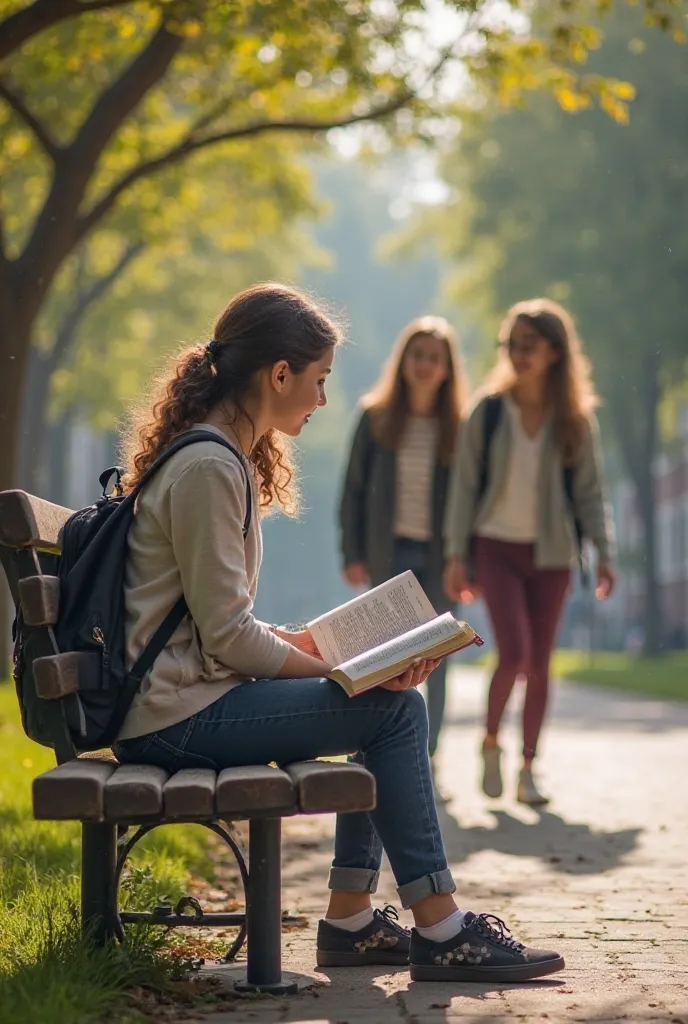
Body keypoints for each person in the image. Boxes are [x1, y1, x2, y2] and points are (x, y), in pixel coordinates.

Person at [113, 283, 564, 982]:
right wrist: (337, 671)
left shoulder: (218, 456)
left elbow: (218, 627)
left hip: (182, 701)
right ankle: (440, 929)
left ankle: (353, 920)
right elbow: (228, 640)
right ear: (280, 373)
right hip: (174, 718)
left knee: (381, 708)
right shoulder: (208, 466)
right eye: (318, 380)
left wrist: (331, 651)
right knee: (392, 711)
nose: (322, 399)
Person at [443, 298, 615, 807]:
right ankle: (491, 741)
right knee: (513, 652)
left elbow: (590, 492)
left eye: (529, 347)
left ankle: (529, 767)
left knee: (541, 661)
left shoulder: (575, 420)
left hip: (554, 555)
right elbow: (463, 487)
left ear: (555, 353)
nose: (518, 355)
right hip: (495, 546)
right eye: (512, 346)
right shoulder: (489, 411)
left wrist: (604, 553)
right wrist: (457, 554)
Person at [339, 317, 468, 769]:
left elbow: (472, 498)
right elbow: (353, 488)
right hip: (387, 552)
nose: (425, 365)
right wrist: (351, 553)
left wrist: (467, 559)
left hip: (441, 556)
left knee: (439, 654)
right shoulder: (376, 418)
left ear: (447, 368)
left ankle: (427, 753)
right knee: (387, 655)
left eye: (435, 358)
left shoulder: (459, 426)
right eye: (418, 355)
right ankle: (382, 744)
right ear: (404, 361)